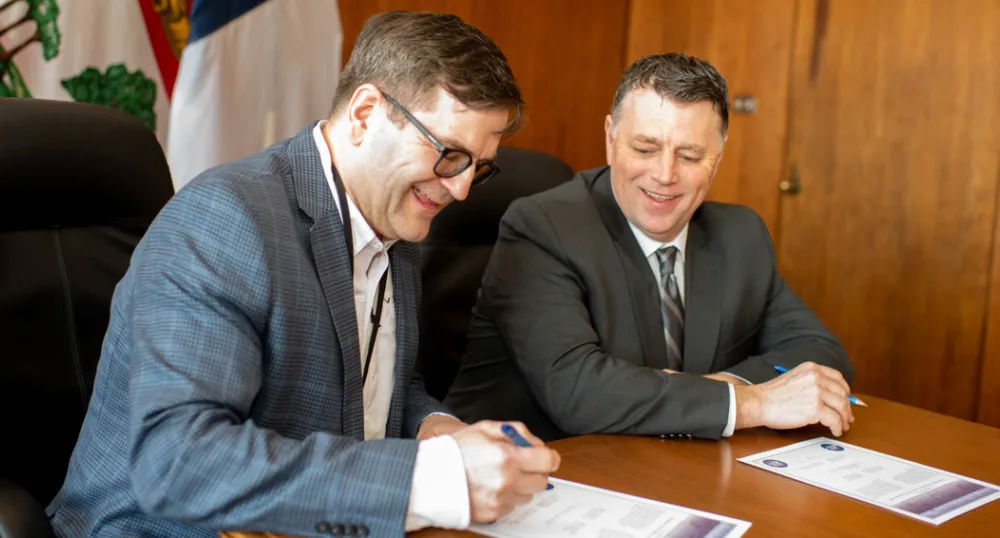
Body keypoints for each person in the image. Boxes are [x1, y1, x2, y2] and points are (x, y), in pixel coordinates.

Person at [46, 11, 559, 538]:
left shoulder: (395, 223)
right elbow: (179, 463)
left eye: (480, 165)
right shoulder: (224, 220)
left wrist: (445, 436)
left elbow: (386, 387)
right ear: (365, 114)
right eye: (450, 155)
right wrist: (429, 481)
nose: (462, 189)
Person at [445, 52, 856, 443]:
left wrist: (718, 391)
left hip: (662, 474)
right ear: (610, 138)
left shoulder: (740, 234)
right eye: (645, 149)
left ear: (719, 155)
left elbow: (821, 355)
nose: (664, 174)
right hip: (532, 473)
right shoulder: (544, 227)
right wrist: (752, 402)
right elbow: (580, 392)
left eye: (690, 155)